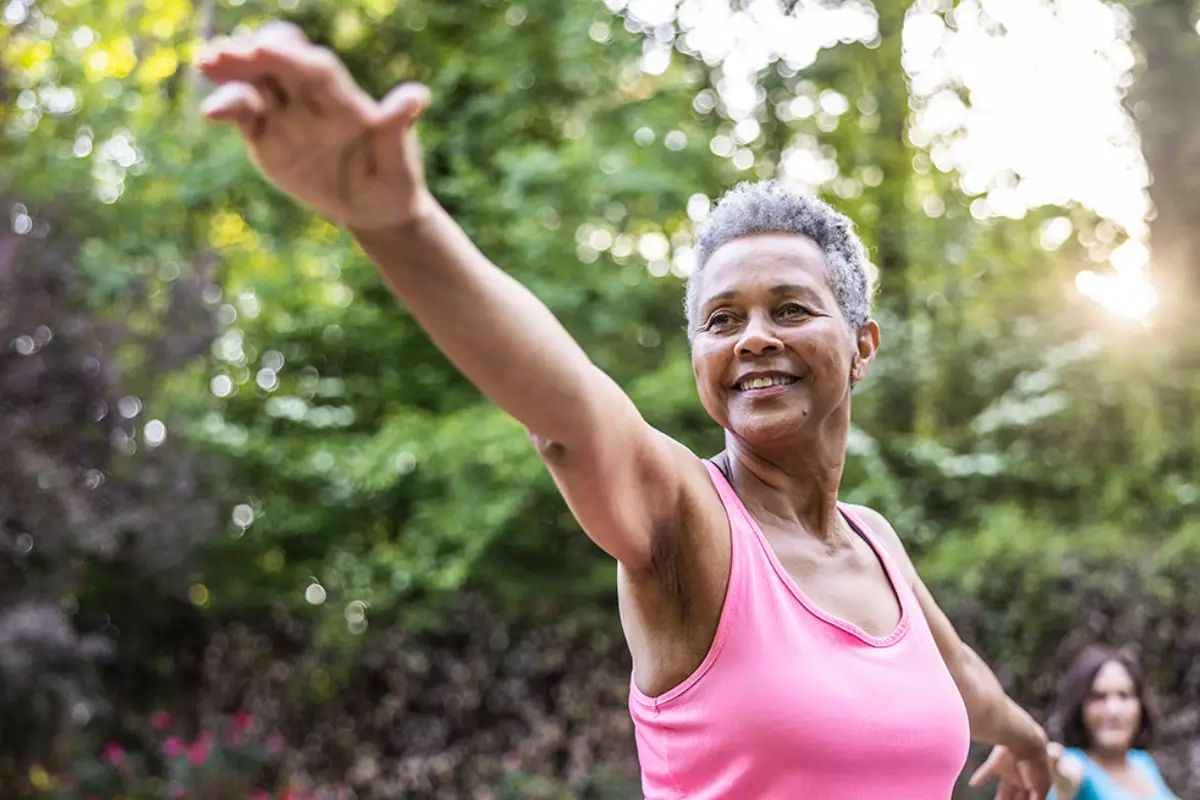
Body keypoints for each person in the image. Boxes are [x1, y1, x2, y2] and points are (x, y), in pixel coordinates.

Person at [196, 21, 1053, 798]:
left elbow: (960, 676)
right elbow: (568, 414)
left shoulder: (875, 543)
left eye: (790, 309)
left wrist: (1024, 737)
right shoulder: (688, 520)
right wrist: (399, 223)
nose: (754, 338)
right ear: (699, 358)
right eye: (722, 320)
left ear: (862, 345)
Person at [1047, 646, 1176, 799]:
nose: (1113, 709)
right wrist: (1063, 786)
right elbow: (1066, 779)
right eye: (1098, 696)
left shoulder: (1143, 763)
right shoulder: (1076, 764)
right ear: (1079, 707)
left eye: (1124, 695)